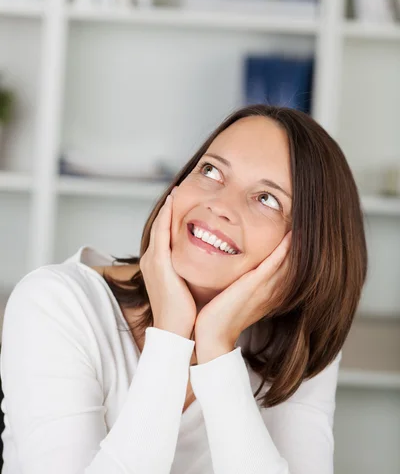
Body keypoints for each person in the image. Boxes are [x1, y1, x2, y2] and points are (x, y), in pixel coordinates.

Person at [0, 104, 367, 474]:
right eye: (211, 170)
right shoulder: (55, 304)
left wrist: (217, 347)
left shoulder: (298, 341)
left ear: (310, 249)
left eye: (267, 199)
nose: (220, 205)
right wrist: (171, 336)